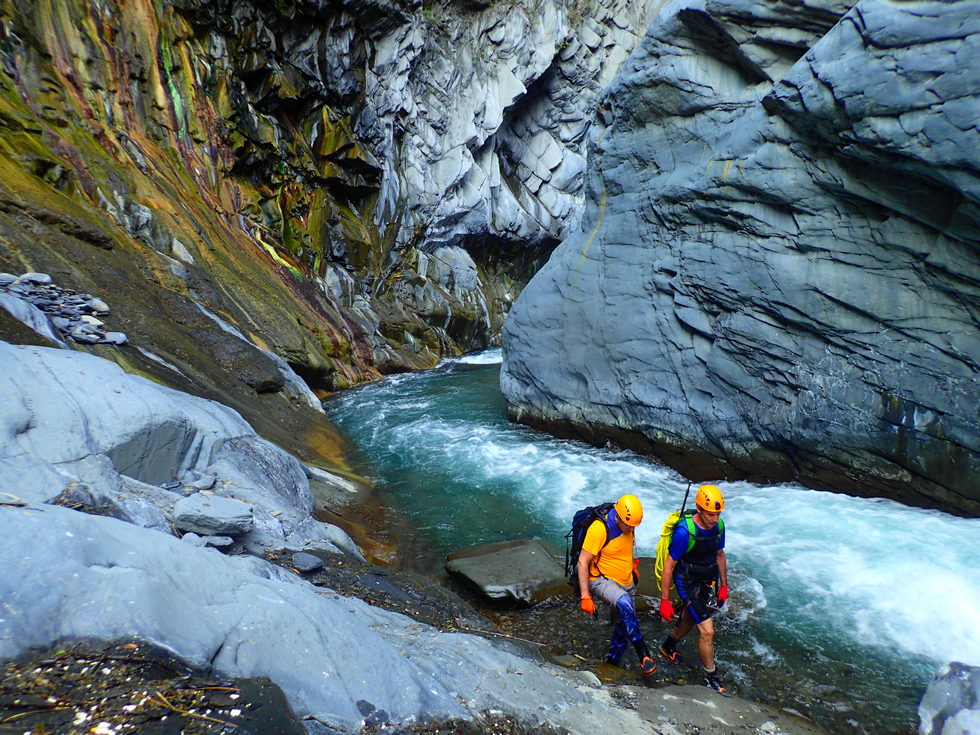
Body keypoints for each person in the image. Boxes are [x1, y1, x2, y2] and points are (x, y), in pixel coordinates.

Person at [657, 484, 729, 691]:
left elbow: (719, 555)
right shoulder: (684, 532)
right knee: (708, 631)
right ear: (699, 509)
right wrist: (664, 600)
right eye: (710, 514)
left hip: (706, 579)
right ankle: (711, 676)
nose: (714, 519)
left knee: (690, 618)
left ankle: (668, 645)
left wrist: (724, 586)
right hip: (687, 581)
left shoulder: (719, 526)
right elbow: (669, 566)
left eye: (718, 513)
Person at [577, 493, 656, 675]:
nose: (631, 529)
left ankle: (612, 664)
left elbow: (625, 545)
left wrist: (631, 566)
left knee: (623, 625)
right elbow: (582, 562)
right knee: (625, 603)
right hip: (601, 579)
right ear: (618, 517)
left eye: (634, 526)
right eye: (628, 525)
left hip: (625, 579)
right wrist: (585, 596)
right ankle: (642, 652)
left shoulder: (629, 524)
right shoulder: (599, 529)